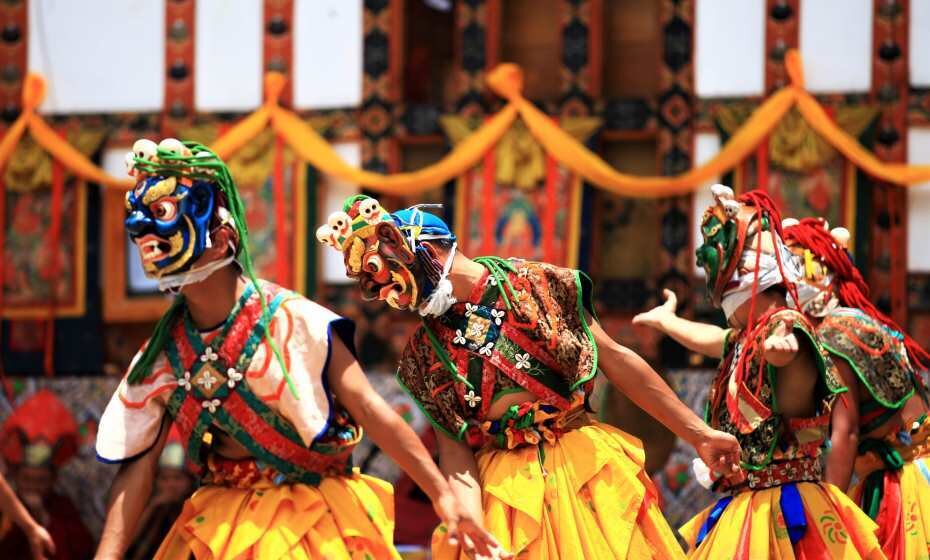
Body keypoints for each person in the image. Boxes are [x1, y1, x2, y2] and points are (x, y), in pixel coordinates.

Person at [94, 139, 501, 559]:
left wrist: (443, 497)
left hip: (310, 522)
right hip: (222, 525)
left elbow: (368, 408)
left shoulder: (294, 320)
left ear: (222, 236)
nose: (144, 232)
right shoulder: (165, 351)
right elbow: (139, 465)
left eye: (163, 215)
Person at [316, 195, 742, 559]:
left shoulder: (537, 283)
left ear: (423, 247)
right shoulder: (423, 354)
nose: (387, 292)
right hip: (507, 493)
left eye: (386, 274)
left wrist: (699, 433)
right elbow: (455, 450)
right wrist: (471, 521)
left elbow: (613, 358)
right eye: (376, 285)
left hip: (584, 469)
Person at [632, 185, 884, 558]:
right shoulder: (750, 336)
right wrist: (668, 322)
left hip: (781, 508)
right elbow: (715, 338)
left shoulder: (784, 326)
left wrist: (783, 353)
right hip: (756, 501)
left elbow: (790, 355)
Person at [782, 216, 930, 558]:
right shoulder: (854, 320)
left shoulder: (833, 335)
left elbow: (845, 434)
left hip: (905, 480)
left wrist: (827, 517)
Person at [0, 389, 92, 560]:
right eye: (27, 479)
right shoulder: (5, 507)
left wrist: (42, 516)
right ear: (15, 476)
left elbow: (82, 552)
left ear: (53, 480)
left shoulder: (62, 507)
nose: (33, 487)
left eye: (41, 480)